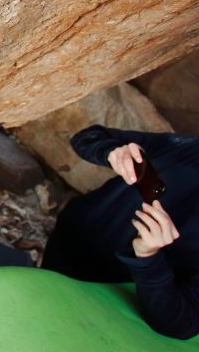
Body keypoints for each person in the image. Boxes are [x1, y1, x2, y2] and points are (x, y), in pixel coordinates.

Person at [42, 125, 199, 340]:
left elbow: (181, 324)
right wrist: (111, 151)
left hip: (107, 296)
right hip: (72, 240)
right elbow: (86, 137)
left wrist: (148, 257)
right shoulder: (190, 149)